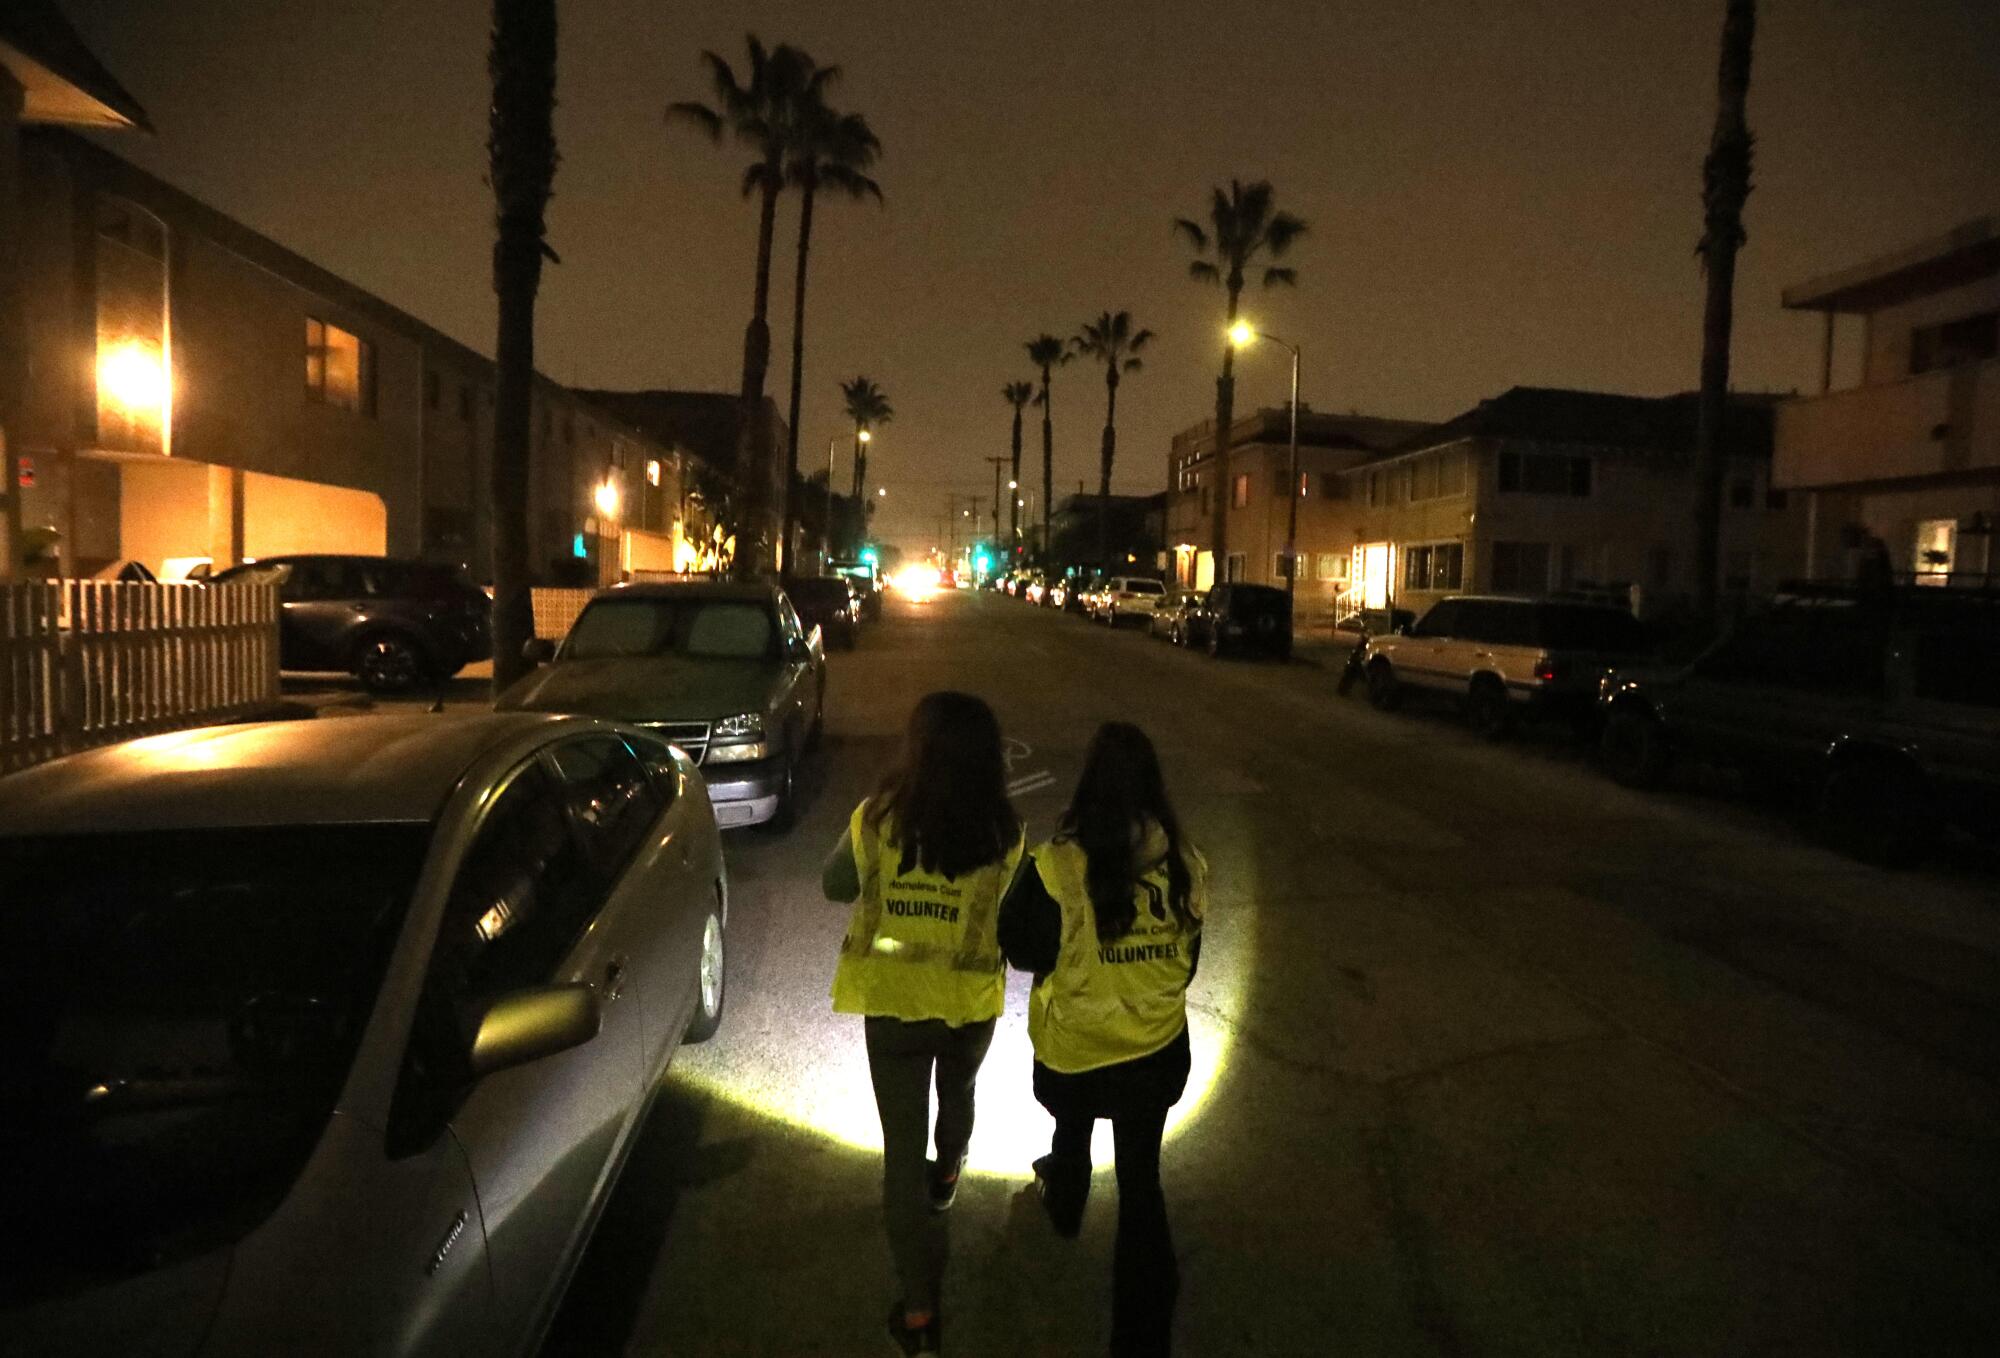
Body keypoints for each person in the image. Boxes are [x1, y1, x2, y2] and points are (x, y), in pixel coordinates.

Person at [824, 691, 1025, 1356]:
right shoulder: (1005, 832)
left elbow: (835, 885)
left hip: (892, 1008)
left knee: (896, 1157)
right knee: (960, 1092)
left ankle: (917, 1314)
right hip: (967, 1006)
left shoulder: (875, 819)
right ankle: (949, 1173)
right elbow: (1014, 908)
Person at [998, 722, 1208, 1358]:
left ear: (1089, 785)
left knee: (1073, 1124)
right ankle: (1141, 1340)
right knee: (1142, 1181)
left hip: (1076, 1059)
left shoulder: (1059, 867)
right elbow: (1188, 963)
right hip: (1155, 1054)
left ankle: (1066, 1197)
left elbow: (1021, 947)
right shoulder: (1184, 864)